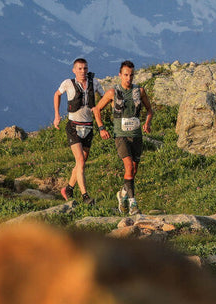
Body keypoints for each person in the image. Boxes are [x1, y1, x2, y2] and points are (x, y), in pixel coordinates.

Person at [93, 60, 153, 215]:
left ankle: (123, 194)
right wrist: (101, 128)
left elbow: (149, 110)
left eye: (131, 75)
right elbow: (97, 109)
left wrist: (147, 123)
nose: (129, 78)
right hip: (120, 136)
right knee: (129, 167)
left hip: (136, 135)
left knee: (134, 170)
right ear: (120, 75)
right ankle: (133, 204)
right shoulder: (113, 92)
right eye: (126, 75)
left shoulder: (140, 91)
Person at [54, 58, 104, 205]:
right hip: (73, 127)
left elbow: (104, 97)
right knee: (80, 161)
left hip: (88, 126)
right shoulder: (67, 83)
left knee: (81, 163)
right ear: (74, 70)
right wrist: (57, 115)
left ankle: (68, 189)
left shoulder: (94, 83)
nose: (83, 71)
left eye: (85, 68)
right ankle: (85, 196)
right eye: (80, 69)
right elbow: (57, 94)